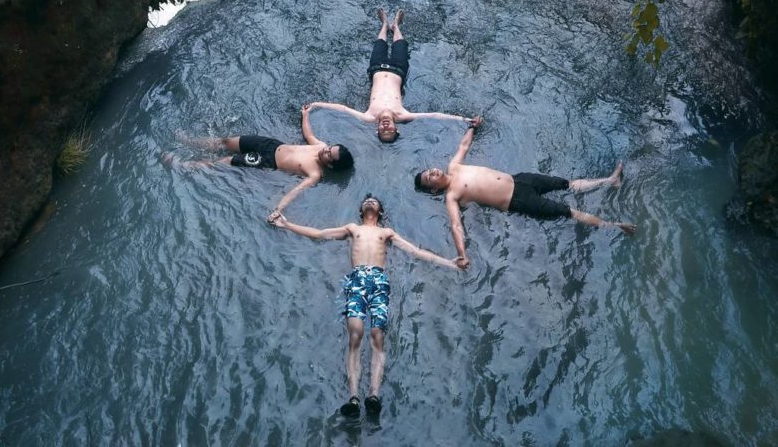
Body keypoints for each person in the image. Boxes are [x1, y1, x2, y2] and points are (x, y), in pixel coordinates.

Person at [269, 194, 460, 417]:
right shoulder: (352, 228)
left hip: (379, 281)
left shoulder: (386, 233)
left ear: (380, 211)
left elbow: (415, 252)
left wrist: (450, 264)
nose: (370, 200)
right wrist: (287, 224)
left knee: (377, 334)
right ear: (361, 211)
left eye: (374, 200)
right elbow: (320, 234)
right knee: (355, 334)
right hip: (357, 280)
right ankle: (353, 397)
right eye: (366, 200)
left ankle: (374, 395)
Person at [414, 122, 635, 269]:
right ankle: (613, 226)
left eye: (429, 170)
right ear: (433, 189)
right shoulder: (452, 197)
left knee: (565, 184)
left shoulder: (454, 166)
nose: (433, 172)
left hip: (520, 179)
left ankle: (609, 181)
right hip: (518, 201)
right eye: (429, 178)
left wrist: (473, 126)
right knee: (568, 212)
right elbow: (456, 226)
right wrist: (462, 253)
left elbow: (464, 145)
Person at [305, 8, 481, 142]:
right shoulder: (402, 114)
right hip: (398, 69)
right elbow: (435, 116)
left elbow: (342, 109)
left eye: (383, 130)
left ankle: (383, 25)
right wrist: (465, 120)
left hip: (377, 69)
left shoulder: (369, 117)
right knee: (400, 43)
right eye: (390, 130)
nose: (386, 126)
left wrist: (314, 105)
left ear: (377, 129)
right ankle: (396, 25)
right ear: (397, 128)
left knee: (379, 43)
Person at [163, 107, 354, 216]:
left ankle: (184, 166)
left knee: (226, 160)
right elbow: (309, 134)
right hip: (271, 144)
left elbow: (295, 191)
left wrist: (278, 209)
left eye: (330, 154)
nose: (326, 150)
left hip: (267, 160)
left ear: (330, 165)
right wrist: (305, 116)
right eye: (330, 148)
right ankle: (189, 141)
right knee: (226, 141)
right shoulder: (320, 146)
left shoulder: (315, 174)